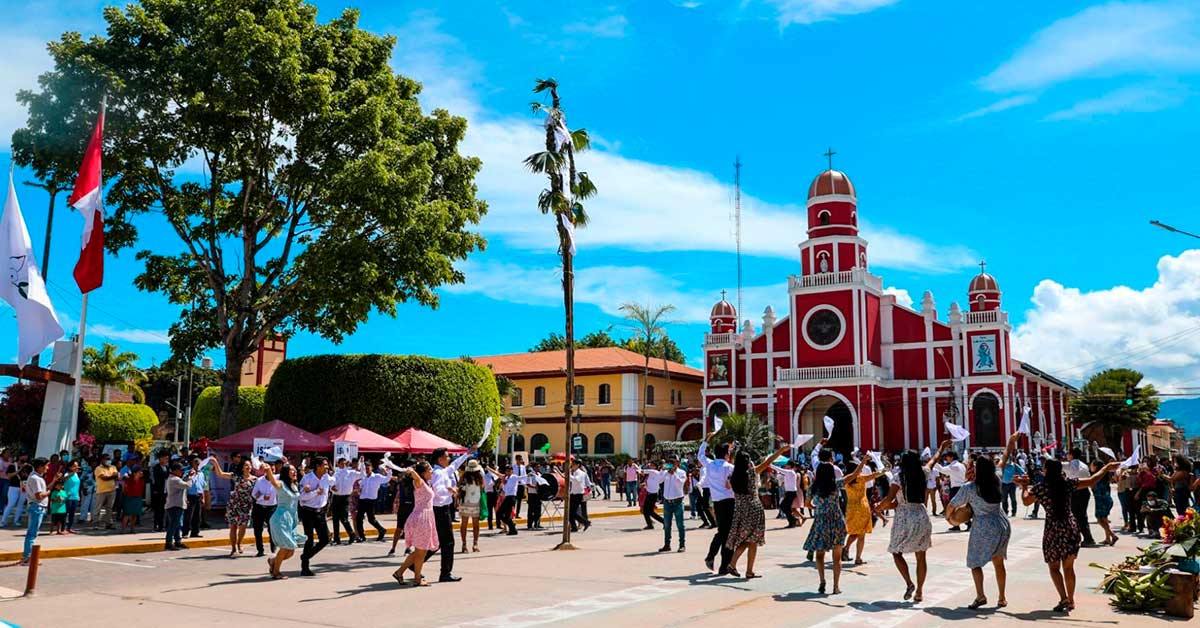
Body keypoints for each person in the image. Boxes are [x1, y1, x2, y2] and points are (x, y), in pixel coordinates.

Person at [1017, 457, 1120, 613]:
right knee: (1069, 568)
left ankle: (1063, 597)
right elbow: (1092, 481)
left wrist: (1024, 486)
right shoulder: (1068, 484)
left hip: (1052, 529)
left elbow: (1026, 501)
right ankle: (1071, 600)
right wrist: (1106, 468)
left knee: (1054, 568)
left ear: (1046, 470)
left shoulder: (1040, 488)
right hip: (1069, 527)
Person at [946, 433, 1019, 610]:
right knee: (999, 562)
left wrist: (950, 518)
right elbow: (1004, 458)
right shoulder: (997, 478)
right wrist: (1010, 442)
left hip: (983, 526)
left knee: (975, 562)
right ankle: (1002, 597)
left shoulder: (970, 487)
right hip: (1001, 523)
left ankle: (980, 596)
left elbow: (951, 505)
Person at [878, 442, 946, 604]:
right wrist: (942, 447)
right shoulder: (924, 473)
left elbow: (890, 500)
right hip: (921, 514)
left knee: (896, 551)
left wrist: (879, 507)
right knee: (921, 556)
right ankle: (920, 592)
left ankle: (909, 583)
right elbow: (933, 460)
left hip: (904, 517)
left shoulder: (898, 477)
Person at [805, 455, 868, 594]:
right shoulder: (836, 484)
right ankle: (836, 587)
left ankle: (822, 581)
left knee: (820, 554)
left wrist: (817, 507)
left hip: (821, 521)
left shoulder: (813, 488)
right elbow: (854, 474)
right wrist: (863, 461)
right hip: (836, 520)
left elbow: (807, 504)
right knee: (837, 557)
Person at [727, 443, 789, 578]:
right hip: (753, 508)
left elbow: (728, 486)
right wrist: (781, 450)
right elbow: (768, 461)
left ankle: (741, 567)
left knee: (747, 539)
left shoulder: (733, 477)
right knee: (752, 540)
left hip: (740, 509)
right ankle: (738, 566)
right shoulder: (751, 473)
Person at [424, 446, 475, 583]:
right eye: (447, 456)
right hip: (440, 510)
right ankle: (445, 573)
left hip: (441, 509)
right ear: (440, 459)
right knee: (447, 542)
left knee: (438, 542)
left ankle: (414, 564)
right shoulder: (438, 473)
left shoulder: (442, 470)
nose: (449, 458)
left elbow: (454, 465)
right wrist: (450, 490)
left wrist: (467, 454)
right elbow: (437, 490)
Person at [393, 462, 437, 587]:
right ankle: (417, 578)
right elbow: (416, 478)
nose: (432, 471)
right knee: (421, 552)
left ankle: (399, 572)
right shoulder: (419, 482)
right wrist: (412, 471)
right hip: (421, 519)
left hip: (425, 518)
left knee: (420, 551)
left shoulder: (427, 484)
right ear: (423, 472)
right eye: (430, 469)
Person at [698, 433, 736, 575]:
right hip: (730, 502)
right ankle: (723, 564)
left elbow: (700, 455)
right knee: (728, 534)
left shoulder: (710, 464)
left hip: (717, 502)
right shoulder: (730, 467)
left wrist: (706, 440)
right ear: (726, 454)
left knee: (722, 532)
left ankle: (713, 557)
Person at [264, 463, 306, 579]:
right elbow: (274, 482)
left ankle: (273, 561)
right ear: (286, 472)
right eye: (291, 470)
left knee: (290, 551)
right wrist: (268, 470)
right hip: (280, 519)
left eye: (295, 470)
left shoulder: (294, 485)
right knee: (286, 546)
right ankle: (276, 572)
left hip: (291, 520)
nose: (294, 472)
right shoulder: (281, 484)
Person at [844, 458, 886, 565]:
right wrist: (884, 470)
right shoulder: (861, 478)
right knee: (861, 535)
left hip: (851, 508)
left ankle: (846, 548)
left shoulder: (846, 481)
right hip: (862, 508)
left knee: (854, 532)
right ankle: (858, 558)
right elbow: (875, 475)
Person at [211, 455, 256, 556]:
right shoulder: (236, 476)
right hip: (234, 504)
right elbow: (221, 474)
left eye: (249, 465)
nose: (248, 467)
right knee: (233, 527)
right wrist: (216, 463)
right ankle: (233, 548)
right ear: (242, 467)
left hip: (246, 505)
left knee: (243, 526)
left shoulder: (255, 479)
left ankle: (239, 543)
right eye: (246, 465)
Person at [298, 456, 333, 576]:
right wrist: (315, 492)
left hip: (320, 512)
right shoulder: (307, 478)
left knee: (325, 539)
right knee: (309, 539)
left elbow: (334, 482)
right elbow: (301, 497)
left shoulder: (326, 477)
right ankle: (305, 567)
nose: (327, 467)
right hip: (308, 512)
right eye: (325, 465)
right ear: (318, 466)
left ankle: (306, 556)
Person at [20, 458, 55, 565]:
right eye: (46, 466)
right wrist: (48, 493)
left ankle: (27, 556)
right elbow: (39, 495)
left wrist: (54, 481)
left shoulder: (36, 477)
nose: (47, 468)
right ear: (40, 466)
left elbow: (42, 490)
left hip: (37, 507)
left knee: (32, 533)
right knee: (32, 534)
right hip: (37, 507)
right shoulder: (36, 479)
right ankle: (27, 557)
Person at [1064, 448, 1096, 547]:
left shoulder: (1070, 465)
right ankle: (1084, 537)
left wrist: (1045, 453)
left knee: (1076, 516)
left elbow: (1055, 465)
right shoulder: (1084, 465)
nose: (1067, 456)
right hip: (1085, 492)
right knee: (1082, 516)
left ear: (1071, 455)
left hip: (1075, 492)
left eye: (1068, 454)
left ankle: (1086, 538)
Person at [659, 455, 690, 553]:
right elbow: (659, 480)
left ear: (677, 463)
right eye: (670, 462)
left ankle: (682, 545)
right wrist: (662, 470)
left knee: (680, 524)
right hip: (667, 502)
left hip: (677, 502)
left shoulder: (681, 472)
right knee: (667, 525)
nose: (671, 464)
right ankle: (667, 545)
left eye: (673, 462)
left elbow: (680, 483)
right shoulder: (666, 472)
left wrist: (674, 474)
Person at [330, 457, 364, 545]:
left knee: (344, 518)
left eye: (345, 463)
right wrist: (332, 488)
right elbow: (331, 484)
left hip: (345, 497)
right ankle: (336, 538)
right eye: (342, 463)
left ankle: (351, 535)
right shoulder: (336, 473)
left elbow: (362, 474)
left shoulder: (351, 473)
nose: (344, 465)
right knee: (335, 519)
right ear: (338, 464)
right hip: (336, 497)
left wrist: (362, 463)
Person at [357, 461, 392, 543]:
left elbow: (387, 479)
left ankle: (381, 530)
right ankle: (362, 536)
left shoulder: (377, 477)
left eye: (368, 468)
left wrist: (389, 471)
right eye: (365, 469)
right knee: (359, 519)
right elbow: (360, 486)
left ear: (371, 468)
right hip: (362, 500)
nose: (367, 470)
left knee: (371, 519)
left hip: (371, 500)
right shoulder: (363, 477)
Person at [934, 449, 968, 531]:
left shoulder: (954, 466)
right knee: (961, 506)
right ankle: (960, 524)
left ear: (952, 457)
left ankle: (961, 524)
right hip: (962, 486)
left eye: (947, 457)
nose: (946, 458)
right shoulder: (961, 465)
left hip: (956, 488)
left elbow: (942, 470)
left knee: (953, 506)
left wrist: (934, 462)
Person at [164, 462, 195, 551]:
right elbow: (187, 485)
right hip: (175, 505)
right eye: (181, 470)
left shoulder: (174, 478)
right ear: (176, 470)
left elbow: (183, 483)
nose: (182, 472)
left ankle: (178, 541)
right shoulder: (174, 479)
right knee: (173, 524)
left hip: (176, 505)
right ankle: (168, 543)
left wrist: (187, 476)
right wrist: (191, 478)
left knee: (177, 525)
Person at [251, 460, 279, 556]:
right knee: (258, 529)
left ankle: (273, 547)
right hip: (259, 507)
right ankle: (260, 550)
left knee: (272, 529)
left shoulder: (277, 479)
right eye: (270, 470)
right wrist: (263, 497)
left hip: (272, 508)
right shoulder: (259, 480)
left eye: (273, 470)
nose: (272, 472)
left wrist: (260, 495)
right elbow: (254, 494)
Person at [457, 460, 485, 553]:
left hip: (465, 502)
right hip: (475, 502)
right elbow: (482, 487)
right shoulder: (479, 477)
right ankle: (475, 544)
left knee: (464, 524)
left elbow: (458, 487)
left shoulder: (464, 476)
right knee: (476, 525)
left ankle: (464, 545)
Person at [1090, 459, 1118, 546]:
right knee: (1104, 519)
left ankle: (1113, 535)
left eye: (1092, 465)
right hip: (1106, 500)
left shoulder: (1096, 478)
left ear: (1096, 467)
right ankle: (1108, 538)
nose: (1090, 467)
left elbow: (1095, 489)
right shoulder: (1103, 477)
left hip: (1101, 501)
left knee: (1100, 519)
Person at [91, 453, 119, 530]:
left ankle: (109, 523)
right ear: (102, 460)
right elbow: (104, 478)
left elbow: (116, 476)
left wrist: (111, 476)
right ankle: (95, 523)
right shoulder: (98, 468)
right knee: (98, 508)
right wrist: (112, 476)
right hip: (101, 491)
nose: (108, 460)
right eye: (107, 459)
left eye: (109, 459)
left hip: (112, 490)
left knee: (109, 508)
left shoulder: (113, 467)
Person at [769, 460, 800, 528]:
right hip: (790, 492)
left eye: (787, 464)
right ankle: (792, 521)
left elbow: (779, 469)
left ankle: (792, 520)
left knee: (783, 506)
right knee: (786, 507)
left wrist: (770, 465)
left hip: (791, 492)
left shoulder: (790, 472)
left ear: (789, 465)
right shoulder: (789, 472)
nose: (785, 465)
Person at [119, 465, 145, 533]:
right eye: (139, 471)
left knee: (135, 514)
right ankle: (123, 529)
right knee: (127, 514)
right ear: (135, 473)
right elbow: (124, 487)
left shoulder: (142, 480)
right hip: (129, 497)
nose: (141, 473)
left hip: (138, 497)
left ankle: (132, 529)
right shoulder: (128, 479)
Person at [568, 458, 592, 533]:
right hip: (573, 493)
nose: (572, 465)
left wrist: (569, 475)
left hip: (579, 494)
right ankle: (575, 526)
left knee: (576, 511)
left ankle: (585, 522)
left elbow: (577, 480)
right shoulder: (573, 472)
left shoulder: (581, 473)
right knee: (571, 512)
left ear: (578, 465)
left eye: (573, 464)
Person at [150, 451, 171, 532]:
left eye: (167, 459)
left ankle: (165, 525)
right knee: (158, 509)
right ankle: (157, 525)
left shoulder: (167, 467)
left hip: (166, 490)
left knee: (165, 509)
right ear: (160, 459)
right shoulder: (156, 467)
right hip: (158, 491)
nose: (167, 460)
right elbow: (157, 478)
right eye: (165, 458)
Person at [641, 462, 664, 529]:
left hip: (652, 495)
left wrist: (636, 467)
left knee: (649, 511)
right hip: (649, 494)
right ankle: (650, 524)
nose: (650, 466)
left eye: (651, 465)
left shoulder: (654, 472)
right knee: (647, 511)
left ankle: (663, 522)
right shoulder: (651, 474)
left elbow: (641, 471)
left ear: (655, 467)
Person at [62, 461, 81, 534]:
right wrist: (72, 473)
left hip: (75, 496)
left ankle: (69, 527)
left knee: (72, 513)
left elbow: (77, 486)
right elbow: (64, 479)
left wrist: (78, 495)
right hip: (68, 496)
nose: (76, 467)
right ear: (70, 467)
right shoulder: (67, 473)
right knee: (65, 513)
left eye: (77, 465)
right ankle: (63, 528)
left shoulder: (76, 474)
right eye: (74, 466)